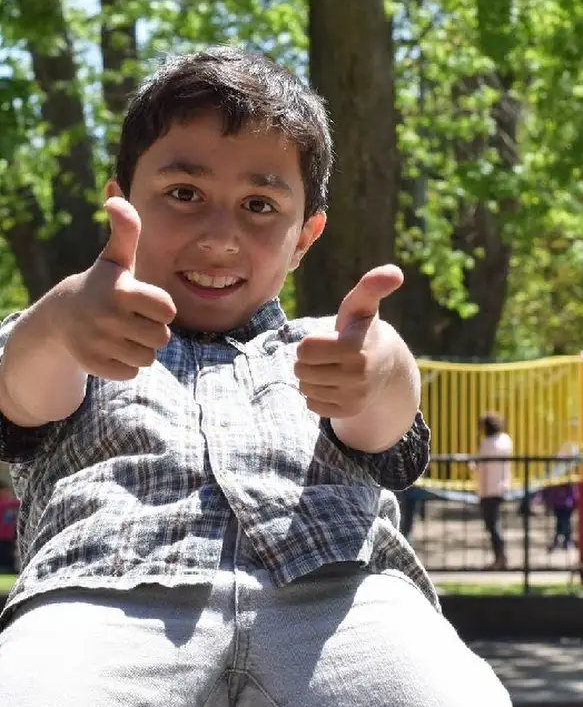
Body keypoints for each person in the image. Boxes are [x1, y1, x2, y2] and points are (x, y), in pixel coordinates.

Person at [0, 48, 510, 706]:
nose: (220, 236)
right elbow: (20, 392)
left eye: (260, 205)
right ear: (120, 202)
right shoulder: (78, 333)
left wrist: (382, 368)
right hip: (102, 590)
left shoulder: (325, 348)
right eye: (184, 194)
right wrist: (62, 322)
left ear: (304, 238)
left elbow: (385, 428)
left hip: (343, 594)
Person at [475, 413, 513, 570]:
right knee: (495, 524)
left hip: (488, 489)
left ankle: (500, 557)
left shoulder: (487, 444)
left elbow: (481, 467)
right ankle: (500, 557)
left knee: (493, 525)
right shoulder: (506, 440)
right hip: (502, 486)